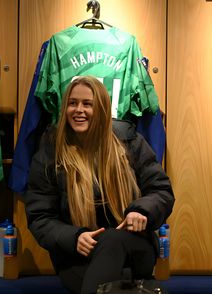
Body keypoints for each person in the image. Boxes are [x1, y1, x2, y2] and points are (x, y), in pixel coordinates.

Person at [24, 76, 174, 294]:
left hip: (132, 246)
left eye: (87, 104)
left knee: (112, 239)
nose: (78, 110)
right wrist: (74, 237)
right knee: (112, 286)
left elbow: (161, 190)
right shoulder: (51, 150)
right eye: (72, 103)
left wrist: (141, 212)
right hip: (78, 254)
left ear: (102, 109)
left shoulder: (129, 141)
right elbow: (40, 217)